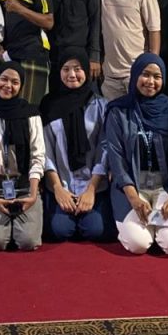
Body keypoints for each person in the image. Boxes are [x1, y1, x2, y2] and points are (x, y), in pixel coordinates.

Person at [105, 53, 168, 255]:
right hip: (131, 187)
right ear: (135, 75)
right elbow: (116, 159)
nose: (150, 81)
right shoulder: (119, 111)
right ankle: (149, 229)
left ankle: (158, 229)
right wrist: (133, 198)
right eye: (145, 74)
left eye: (157, 76)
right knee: (138, 244)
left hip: (165, 186)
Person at [39, 49, 112, 242]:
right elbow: (45, 152)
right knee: (60, 230)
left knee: (96, 230)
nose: (72, 75)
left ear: (86, 71)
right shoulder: (48, 105)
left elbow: (104, 150)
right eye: (66, 69)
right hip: (62, 183)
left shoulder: (101, 106)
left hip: (93, 184)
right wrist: (57, 188)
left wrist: (91, 190)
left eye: (77, 69)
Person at [0, 63, 46, 251]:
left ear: (21, 86)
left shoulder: (31, 114)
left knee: (28, 242)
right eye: (4, 79)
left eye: (15, 82)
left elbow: (37, 157)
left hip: (25, 185)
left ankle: (20, 224)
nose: (8, 85)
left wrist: (32, 195)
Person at [99, 0, 162, 101]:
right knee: (114, 113)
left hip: (137, 70)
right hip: (110, 74)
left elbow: (154, 30)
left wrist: (152, 64)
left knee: (139, 112)